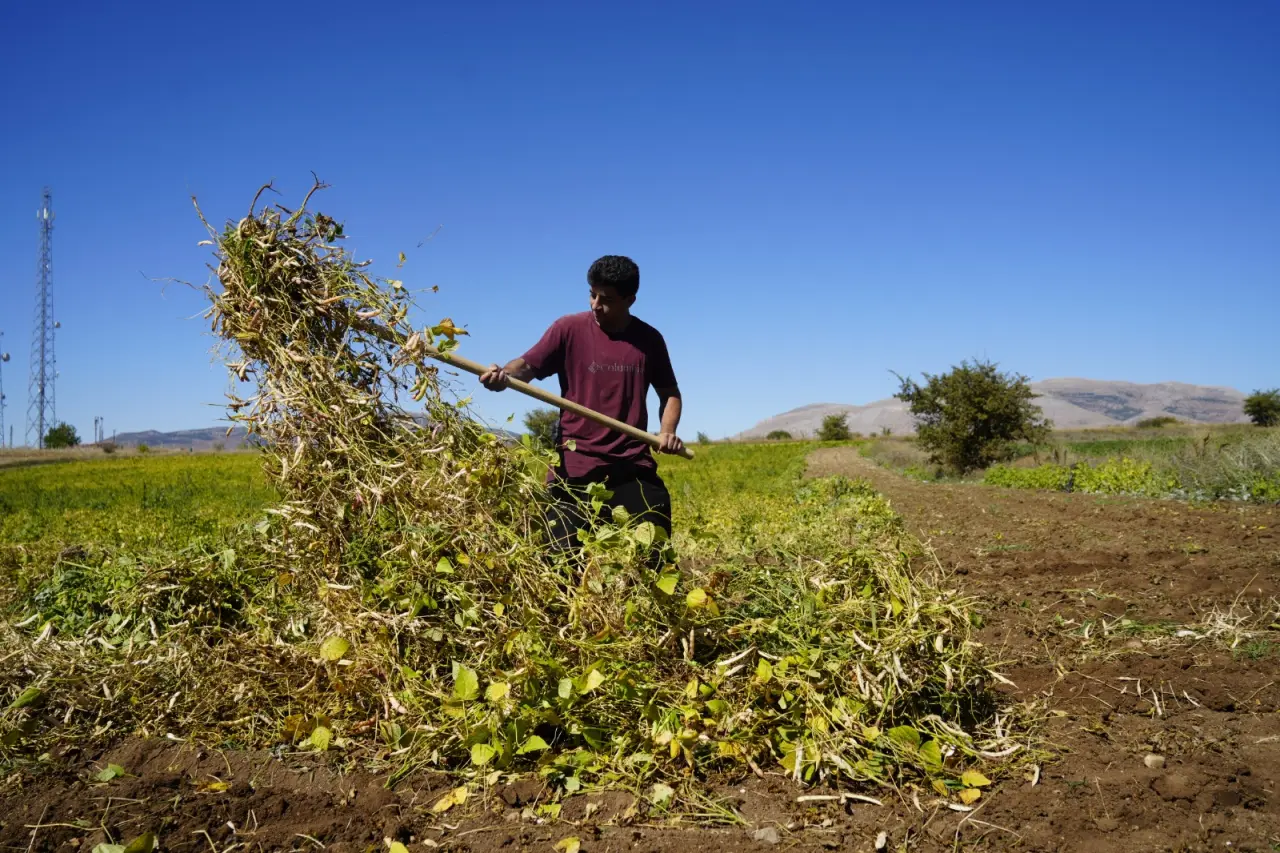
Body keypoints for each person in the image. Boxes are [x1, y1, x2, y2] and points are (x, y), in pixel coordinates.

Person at [479, 255, 685, 557]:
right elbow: (526, 367)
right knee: (559, 563)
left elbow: (670, 394)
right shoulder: (568, 329)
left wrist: (667, 431)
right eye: (592, 295)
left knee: (654, 554)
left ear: (630, 300)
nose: (595, 305)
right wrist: (504, 376)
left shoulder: (649, 340)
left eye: (607, 299)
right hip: (574, 468)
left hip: (631, 467)